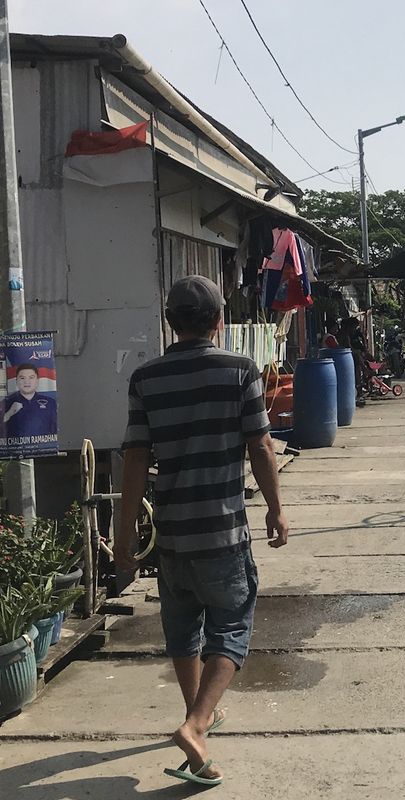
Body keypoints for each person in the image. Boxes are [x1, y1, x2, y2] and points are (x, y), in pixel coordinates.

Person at [115, 275, 289, 787]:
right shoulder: (239, 372)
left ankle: (199, 732)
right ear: (218, 321)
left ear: (171, 322)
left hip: (172, 533)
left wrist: (124, 535)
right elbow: (261, 447)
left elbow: (135, 459)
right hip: (223, 533)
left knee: (184, 629)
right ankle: (195, 724)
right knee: (231, 628)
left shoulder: (146, 379)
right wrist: (277, 510)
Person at [3, 364, 57, 439]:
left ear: (37, 380)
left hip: (45, 448)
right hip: (17, 449)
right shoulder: (6, 403)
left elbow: (56, 429)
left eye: (31, 378)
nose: (27, 382)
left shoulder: (50, 403)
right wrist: (9, 413)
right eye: (22, 378)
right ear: (17, 381)